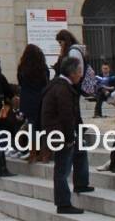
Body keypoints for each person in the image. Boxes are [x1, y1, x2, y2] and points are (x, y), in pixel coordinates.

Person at [42, 57, 93, 214]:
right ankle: (63, 203)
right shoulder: (62, 88)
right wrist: (70, 138)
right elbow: (66, 115)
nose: (80, 75)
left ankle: (81, 183)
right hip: (60, 134)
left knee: (79, 152)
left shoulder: (60, 84)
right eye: (79, 72)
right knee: (62, 169)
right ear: (72, 73)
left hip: (59, 132)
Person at [15, 44, 50, 161]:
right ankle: (44, 153)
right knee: (42, 126)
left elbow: (20, 82)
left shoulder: (22, 68)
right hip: (41, 98)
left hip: (28, 100)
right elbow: (46, 82)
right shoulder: (42, 67)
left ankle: (33, 153)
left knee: (31, 126)